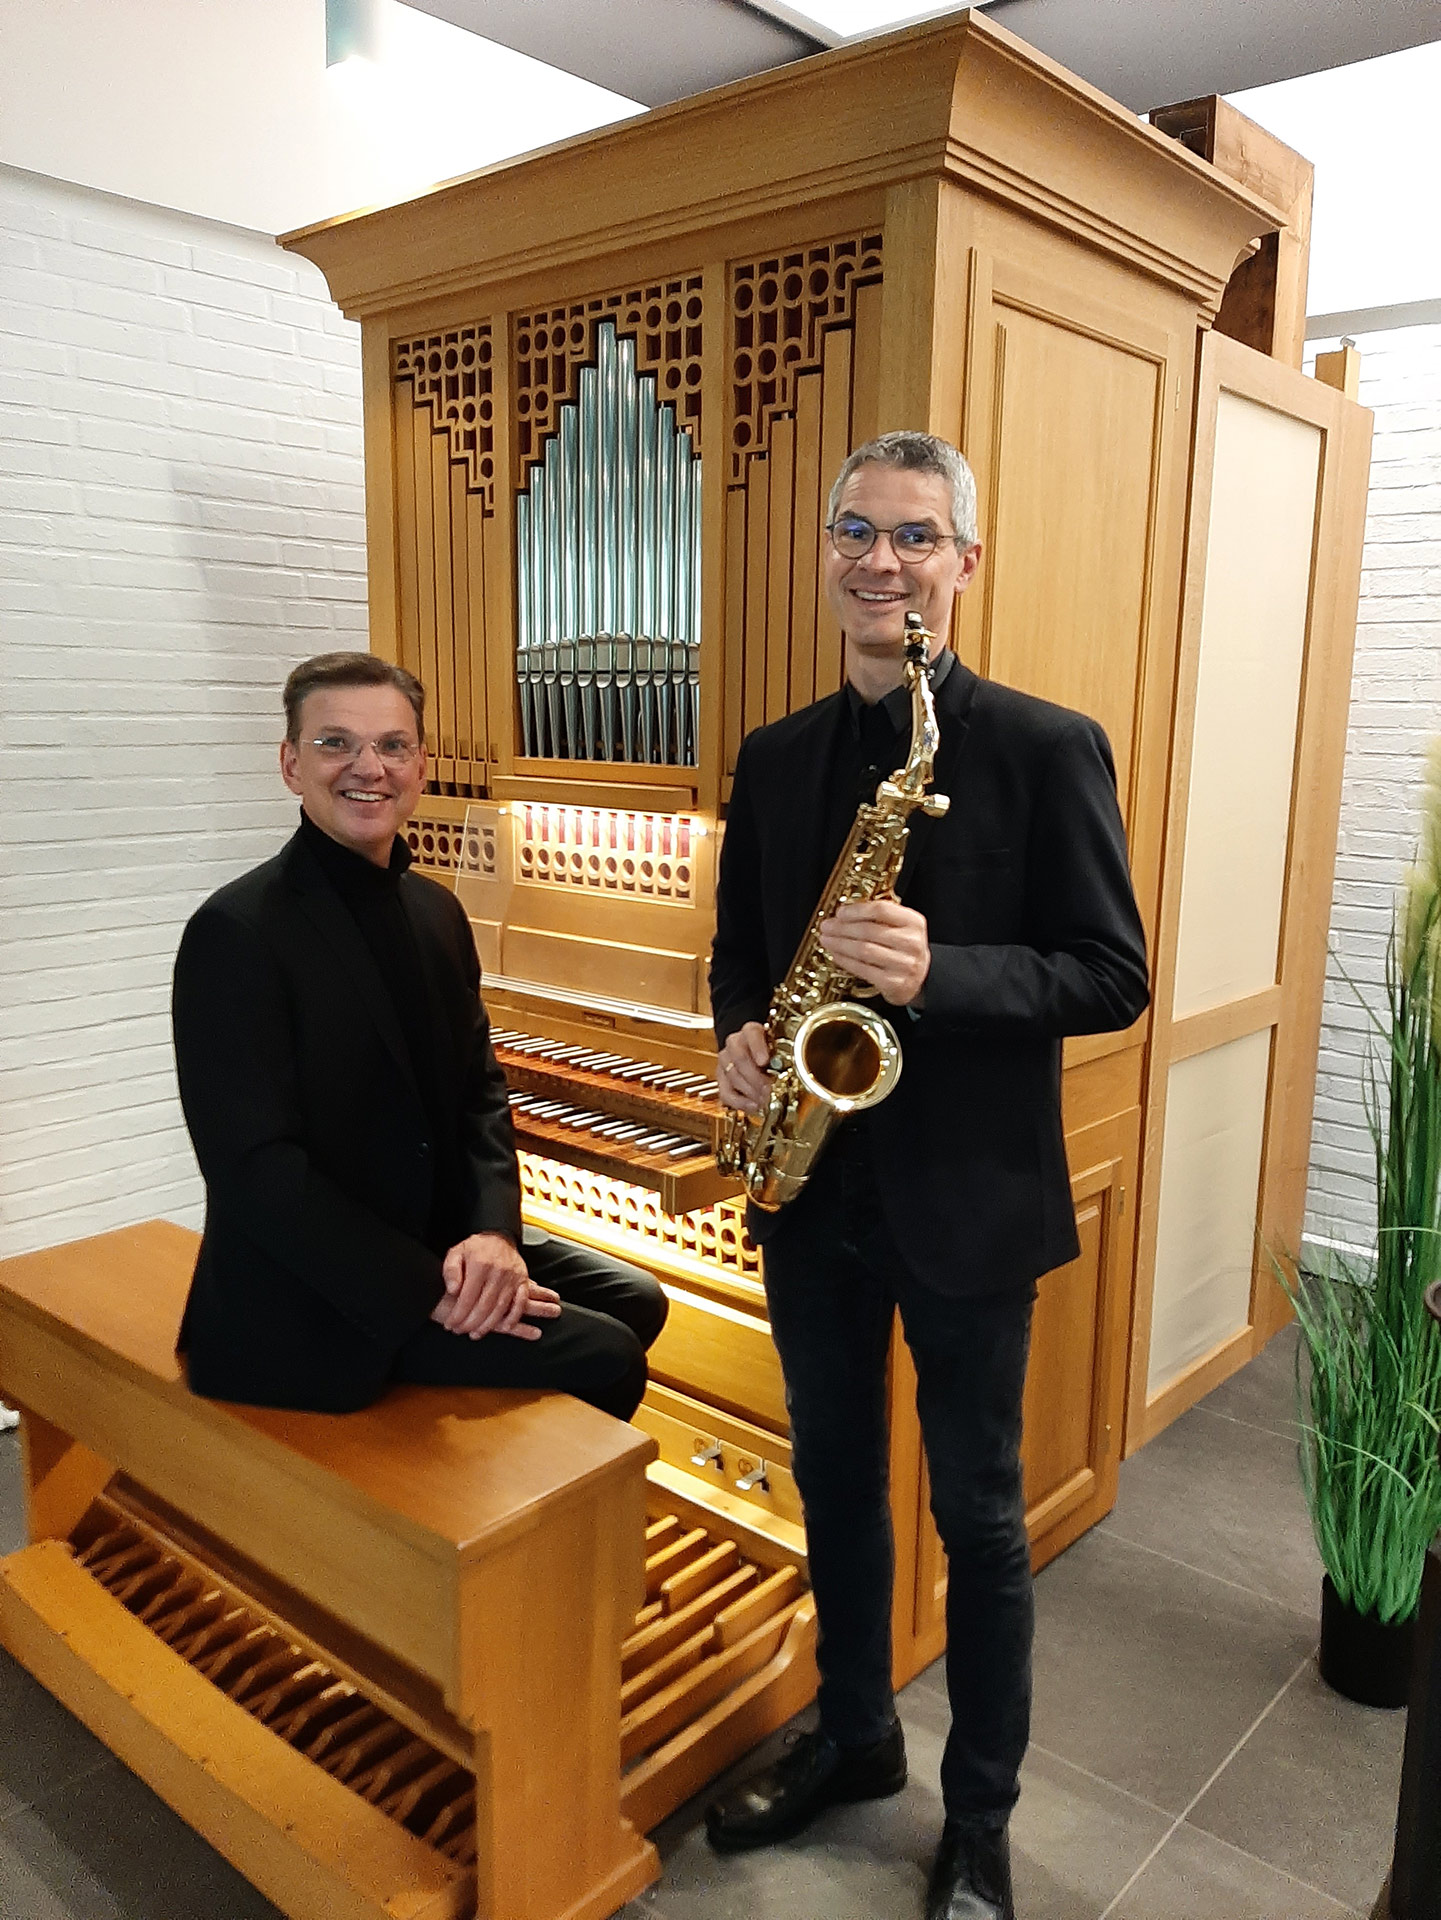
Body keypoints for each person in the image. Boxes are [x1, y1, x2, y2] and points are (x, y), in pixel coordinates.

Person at [706, 432, 1150, 1920]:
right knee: (833, 1481)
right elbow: (735, 964)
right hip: (814, 1190)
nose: (878, 560)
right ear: (824, 552)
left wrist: (940, 973)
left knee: (978, 1516)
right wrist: (741, 1048)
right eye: (855, 532)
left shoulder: (1040, 744)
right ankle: (854, 1739)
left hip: (966, 1200)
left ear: (963, 563)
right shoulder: (771, 760)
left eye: (914, 536)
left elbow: (1110, 976)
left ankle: (979, 1820)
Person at [172, 651, 666, 1420]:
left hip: (437, 1239)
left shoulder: (436, 911)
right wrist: (427, 1289)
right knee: (607, 1357)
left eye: (392, 745)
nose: (367, 766)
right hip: (310, 1292)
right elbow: (255, 1172)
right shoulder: (236, 932)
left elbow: (479, 1090)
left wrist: (492, 1234)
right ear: (290, 764)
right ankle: (496, 1529)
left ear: (420, 765)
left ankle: (482, 1494)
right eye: (335, 743)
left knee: (633, 1298)